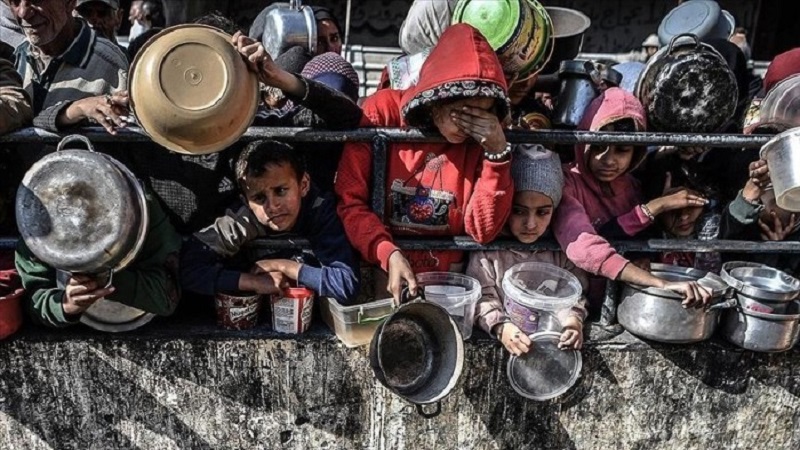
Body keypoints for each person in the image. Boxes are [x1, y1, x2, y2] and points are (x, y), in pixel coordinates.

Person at [335, 24, 513, 304]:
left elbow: (482, 230)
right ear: (435, 102)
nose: (471, 125)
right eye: (461, 113)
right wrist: (387, 252)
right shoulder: (383, 113)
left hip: (448, 283)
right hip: (382, 271)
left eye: (482, 114)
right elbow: (350, 201)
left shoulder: (483, 138)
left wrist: (497, 155)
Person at [552, 88, 712, 312]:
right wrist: (660, 283)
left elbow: (641, 237)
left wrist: (640, 256)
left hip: (621, 303)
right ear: (583, 142)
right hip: (571, 302)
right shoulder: (567, 182)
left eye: (622, 150)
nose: (609, 160)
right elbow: (584, 247)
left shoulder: (632, 186)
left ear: (636, 152)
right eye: (598, 147)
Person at [181, 140, 360, 305]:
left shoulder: (319, 210)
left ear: (304, 185)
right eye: (259, 198)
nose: (272, 206)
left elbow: (345, 284)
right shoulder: (241, 219)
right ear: (245, 201)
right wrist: (253, 281)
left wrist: (283, 266)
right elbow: (189, 269)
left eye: (281, 191)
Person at [467, 147, 587, 356]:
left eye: (542, 212)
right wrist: (501, 327)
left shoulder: (561, 249)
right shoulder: (488, 253)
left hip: (548, 344)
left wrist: (573, 321)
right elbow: (481, 297)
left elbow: (574, 293)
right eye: (518, 211)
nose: (530, 224)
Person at [15, 189, 182, 328]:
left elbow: (166, 296)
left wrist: (102, 278)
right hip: (76, 332)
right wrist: (65, 305)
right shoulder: (36, 222)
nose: (79, 217)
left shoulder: (141, 206)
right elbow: (33, 301)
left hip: (138, 321)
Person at [9, 0, 128, 135]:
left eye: (37, 1)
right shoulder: (16, 56)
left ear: (70, 3)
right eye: (15, 1)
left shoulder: (110, 64)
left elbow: (129, 137)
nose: (23, 13)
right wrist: (72, 111)